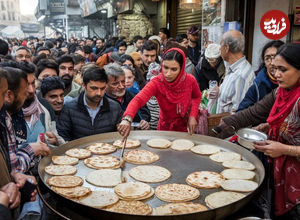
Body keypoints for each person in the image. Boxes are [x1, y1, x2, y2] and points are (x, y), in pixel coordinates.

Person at [118, 48, 201, 137]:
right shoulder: (157, 82)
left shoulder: (190, 80)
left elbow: (196, 96)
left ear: (181, 69)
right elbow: (139, 99)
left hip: (186, 127)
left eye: (174, 69)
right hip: (165, 128)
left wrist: (192, 116)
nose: (168, 73)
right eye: (165, 67)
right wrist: (127, 119)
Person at [57, 64, 123, 141]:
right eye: (94, 88)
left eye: (102, 89)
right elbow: (63, 137)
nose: (99, 93)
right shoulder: (69, 108)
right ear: (84, 86)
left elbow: (119, 136)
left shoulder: (115, 107)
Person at [215, 30, 255, 113]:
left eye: (220, 45)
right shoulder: (232, 68)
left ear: (226, 48)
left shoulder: (240, 76)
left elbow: (238, 114)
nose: (219, 48)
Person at [237, 40, 284, 111]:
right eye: (267, 58)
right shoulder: (258, 84)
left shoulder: (291, 83)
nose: (272, 63)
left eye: (275, 57)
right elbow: (242, 111)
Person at [104, 63, 150, 129]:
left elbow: (145, 113)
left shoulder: (134, 96)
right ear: (105, 85)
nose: (121, 86)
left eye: (123, 81)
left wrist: (144, 122)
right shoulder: (100, 101)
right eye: (115, 84)